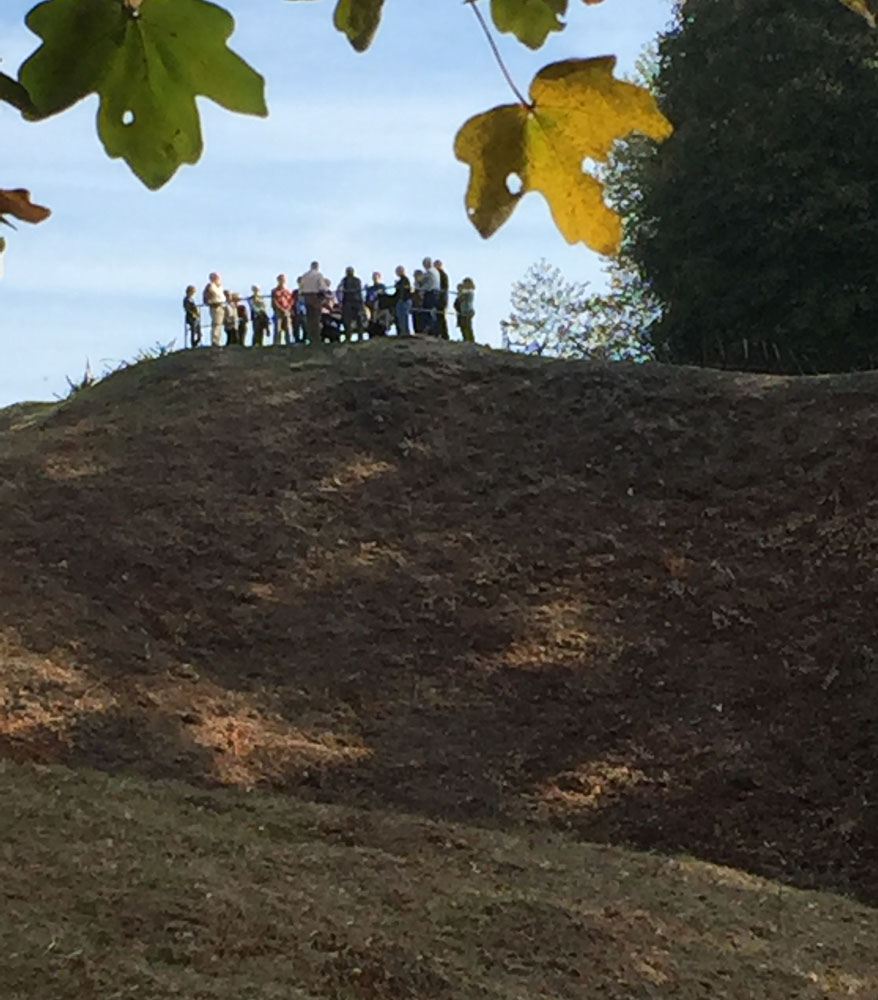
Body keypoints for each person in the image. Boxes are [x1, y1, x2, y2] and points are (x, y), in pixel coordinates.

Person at [298, 260, 326, 344]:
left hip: (307, 297)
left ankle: (310, 337)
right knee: (316, 318)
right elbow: (322, 287)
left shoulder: (304, 275)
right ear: (317, 267)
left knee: (309, 319)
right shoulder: (318, 275)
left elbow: (301, 289)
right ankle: (316, 338)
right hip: (315, 297)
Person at [339, 266, 365, 342]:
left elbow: (358, 291)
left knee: (358, 320)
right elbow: (340, 290)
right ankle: (348, 337)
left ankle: (360, 337)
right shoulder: (344, 280)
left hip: (355, 302)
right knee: (347, 321)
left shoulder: (356, 280)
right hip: (349, 302)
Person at [202, 272, 225, 347]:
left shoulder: (219, 286)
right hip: (215, 306)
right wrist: (210, 303)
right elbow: (206, 296)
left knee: (219, 324)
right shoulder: (210, 286)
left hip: (221, 305)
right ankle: (215, 341)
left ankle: (217, 340)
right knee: (216, 323)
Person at [271, 273, 294, 346]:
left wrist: (288, 308)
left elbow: (291, 301)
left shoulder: (287, 291)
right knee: (278, 328)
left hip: (287, 311)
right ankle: (277, 344)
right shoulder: (274, 291)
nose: (282, 281)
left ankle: (289, 343)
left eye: (283, 280)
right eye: (280, 279)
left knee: (288, 328)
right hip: (278, 311)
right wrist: (281, 309)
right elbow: (274, 301)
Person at [420, 256, 441, 334]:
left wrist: (421, 289)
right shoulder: (436, 271)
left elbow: (428, 284)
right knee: (432, 311)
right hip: (436, 292)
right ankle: (433, 329)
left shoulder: (429, 272)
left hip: (430, 293)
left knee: (428, 311)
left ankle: (430, 329)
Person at [455, 277, 476, 342]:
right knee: (464, 327)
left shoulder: (469, 292)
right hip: (464, 311)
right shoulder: (468, 292)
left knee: (467, 327)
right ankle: (467, 339)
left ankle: (469, 340)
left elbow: (461, 294)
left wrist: (460, 291)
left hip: (467, 311)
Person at [393, 265, 412, 336]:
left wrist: (401, 299)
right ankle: (403, 332)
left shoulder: (405, 280)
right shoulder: (401, 281)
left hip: (404, 301)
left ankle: (405, 332)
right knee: (401, 317)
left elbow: (404, 290)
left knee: (403, 317)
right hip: (402, 301)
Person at [435, 258, 450, 339]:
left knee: (440, 316)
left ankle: (444, 334)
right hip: (442, 298)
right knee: (439, 316)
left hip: (441, 298)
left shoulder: (442, 275)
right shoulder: (441, 274)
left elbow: (444, 287)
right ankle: (442, 333)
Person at [292, 279, 307, 343]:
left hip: (305, 312)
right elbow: (292, 301)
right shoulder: (295, 292)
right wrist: (292, 310)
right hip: (297, 312)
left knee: (305, 327)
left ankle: (304, 339)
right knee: (296, 327)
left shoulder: (307, 292)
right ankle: (297, 340)